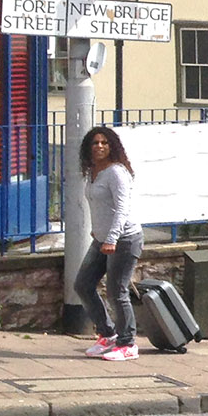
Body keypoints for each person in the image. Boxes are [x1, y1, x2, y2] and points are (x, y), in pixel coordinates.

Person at [75, 126, 144, 362]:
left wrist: (112, 238)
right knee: (83, 285)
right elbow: (98, 204)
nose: (100, 146)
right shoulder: (93, 171)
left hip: (124, 239)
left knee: (117, 291)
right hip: (102, 239)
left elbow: (122, 208)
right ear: (89, 148)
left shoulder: (117, 172)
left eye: (105, 142)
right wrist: (98, 230)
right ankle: (108, 334)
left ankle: (128, 344)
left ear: (112, 146)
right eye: (95, 143)